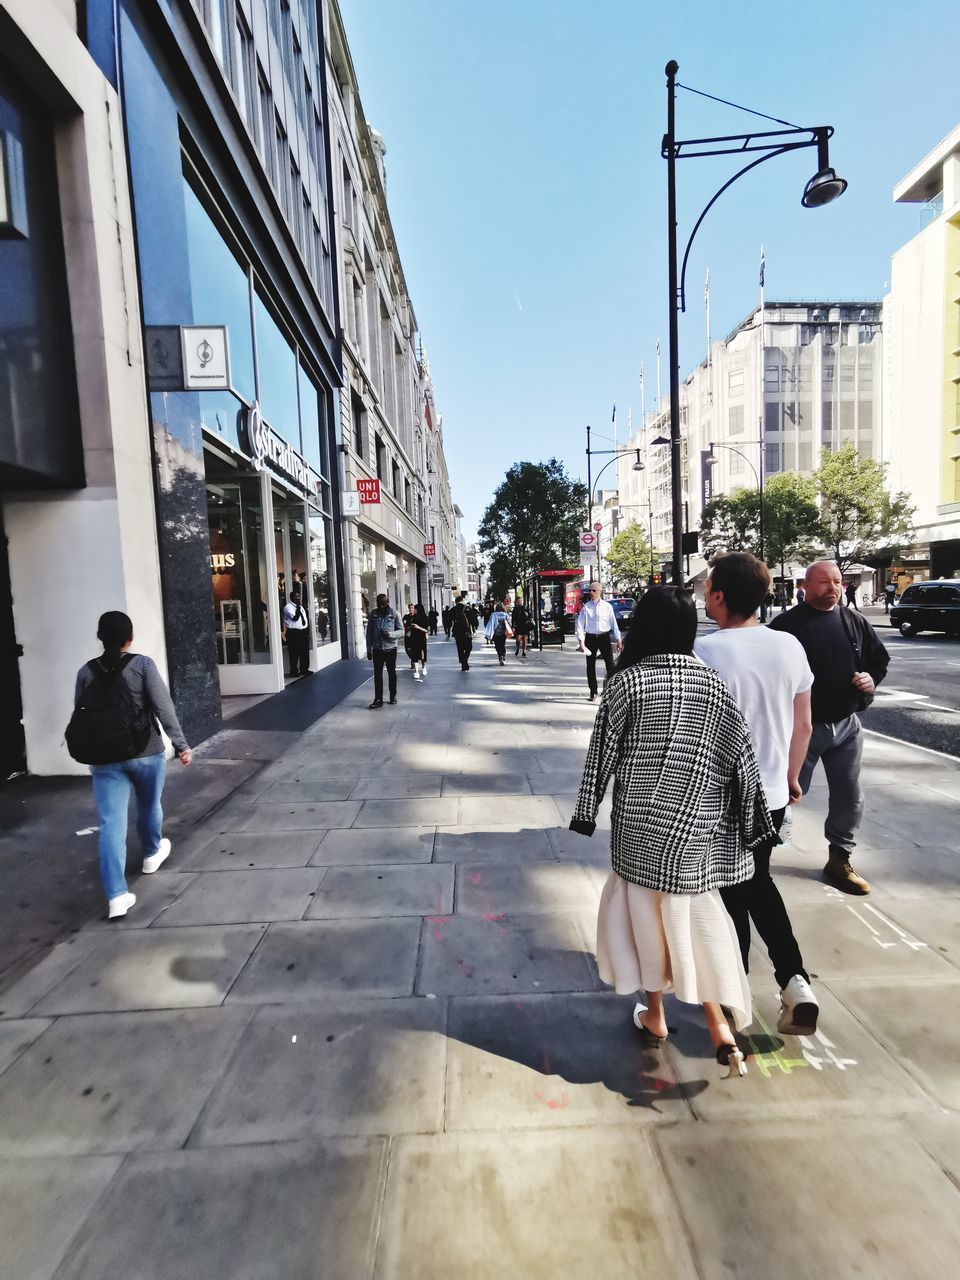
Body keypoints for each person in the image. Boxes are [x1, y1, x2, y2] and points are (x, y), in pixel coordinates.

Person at [571, 587, 774, 1078]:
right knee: (697, 919)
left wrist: (585, 811)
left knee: (647, 921)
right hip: (696, 825)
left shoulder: (628, 683)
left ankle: (656, 1015)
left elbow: (602, 753)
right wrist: (756, 823)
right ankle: (720, 1025)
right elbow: (741, 759)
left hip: (640, 825)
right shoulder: (713, 685)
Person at [696, 553, 819, 1035]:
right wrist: (791, 776)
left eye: (708, 589)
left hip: (719, 794)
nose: (705, 596)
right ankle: (793, 982)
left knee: (730, 891)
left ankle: (735, 995)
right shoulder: (789, 646)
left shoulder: (704, 653)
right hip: (769, 789)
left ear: (721, 596)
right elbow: (803, 723)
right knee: (757, 881)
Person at [770, 560, 890, 895]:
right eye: (825, 582)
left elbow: (878, 660)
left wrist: (871, 678)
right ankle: (755, 856)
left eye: (838, 581)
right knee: (786, 793)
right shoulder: (786, 625)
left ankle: (840, 857)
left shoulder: (853, 621)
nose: (833, 588)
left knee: (849, 794)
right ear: (805, 585)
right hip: (802, 727)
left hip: (847, 724)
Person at [71, 611, 192, 919]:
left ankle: (116, 896)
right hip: (146, 753)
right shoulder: (142, 666)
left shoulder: (86, 672)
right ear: (131, 637)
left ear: (100, 637)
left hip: (105, 761)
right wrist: (181, 745)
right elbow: (164, 708)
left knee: (111, 824)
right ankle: (152, 853)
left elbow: (82, 718)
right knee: (150, 804)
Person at [575, 582, 622, 701]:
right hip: (590, 637)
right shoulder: (586, 607)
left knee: (610, 665)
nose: (591, 592)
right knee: (590, 665)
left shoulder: (607, 607)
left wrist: (618, 639)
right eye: (590, 590)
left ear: (600, 592)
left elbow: (613, 623)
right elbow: (580, 625)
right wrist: (581, 641)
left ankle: (611, 690)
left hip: (604, 637)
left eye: (594, 590)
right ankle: (593, 691)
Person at [365, 593, 402, 708]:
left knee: (392, 672)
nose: (381, 607)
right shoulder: (373, 614)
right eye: (379, 604)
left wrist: (390, 634)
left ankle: (393, 695)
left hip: (391, 648)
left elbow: (401, 631)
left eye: (383, 604)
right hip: (377, 648)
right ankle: (378, 699)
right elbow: (369, 633)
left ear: (387, 603)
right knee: (377, 674)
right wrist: (368, 649)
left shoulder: (395, 614)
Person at [282, 590, 311, 677]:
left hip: (302, 632)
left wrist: (306, 630)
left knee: (304, 652)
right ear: (292, 598)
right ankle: (293, 671)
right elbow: (295, 618)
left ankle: (304, 669)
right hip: (294, 632)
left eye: (299, 596)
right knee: (294, 653)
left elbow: (304, 619)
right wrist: (298, 608)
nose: (298, 598)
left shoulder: (301, 607)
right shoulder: (288, 607)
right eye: (296, 597)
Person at [485, 600, 513, 665]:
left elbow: (490, 624)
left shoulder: (493, 615)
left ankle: (500, 656)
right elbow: (509, 624)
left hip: (495, 633)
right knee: (503, 645)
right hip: (503, 633)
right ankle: (503, 656)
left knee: (497, 646)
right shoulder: (505, 615)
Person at [408, 602, 430, 680]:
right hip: (414, 638)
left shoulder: (425, 618)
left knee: (422, 655)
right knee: (415, 655)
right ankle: (416, 672)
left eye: (415, 609)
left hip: (421, 638)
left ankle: (424, 667)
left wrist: (418, 627)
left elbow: (426, 630)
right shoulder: (413, 617)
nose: (414, 610)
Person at [451, 599, 473, 671]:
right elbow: (473, 619)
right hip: (466, 631)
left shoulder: (453, 610)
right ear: (462, 601)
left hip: (457, 632)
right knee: (469, 647)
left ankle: (463, 663)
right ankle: (465, 661)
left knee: (460, 648)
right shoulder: (467, 609)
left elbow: (448, 618)